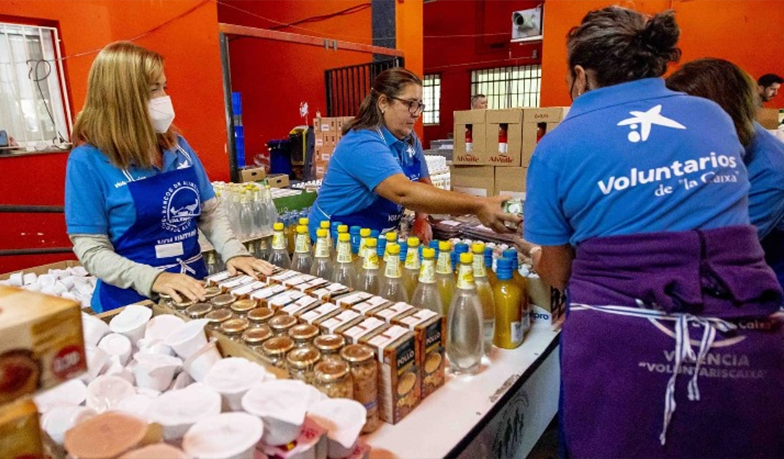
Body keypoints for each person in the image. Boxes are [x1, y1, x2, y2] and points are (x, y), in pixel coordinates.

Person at [524, 7, 784, 458]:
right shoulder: (712, 117)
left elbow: (560, 272)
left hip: (622, 342)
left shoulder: (558, 146)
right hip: (736, 329)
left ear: (581, 75)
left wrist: (540, 261)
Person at [65, 42, 271, 312]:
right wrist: (155, 278)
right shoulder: (88, 162)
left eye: (164, 86)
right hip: (131, 304)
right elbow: (92, 250)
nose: (164, 97)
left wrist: (233, 251)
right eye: (153, 90)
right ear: (123, 99)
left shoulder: (177, 146)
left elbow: (209, 213)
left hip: (193, 289)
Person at [308, 68, 519, 240]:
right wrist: (477, 204)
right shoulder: (362, 143)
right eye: (410, 104)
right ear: (383, 103)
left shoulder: (408, 139)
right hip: (337, 238)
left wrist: (422, 218)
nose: (416, 114)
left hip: (376, 237)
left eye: (419, 105)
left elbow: (423, 184)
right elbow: (404, 192)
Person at [667, 58, 784, 290]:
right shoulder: (703, 144)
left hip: (759, 265)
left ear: (723, 115)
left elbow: (723, 252)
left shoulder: (771, 169)